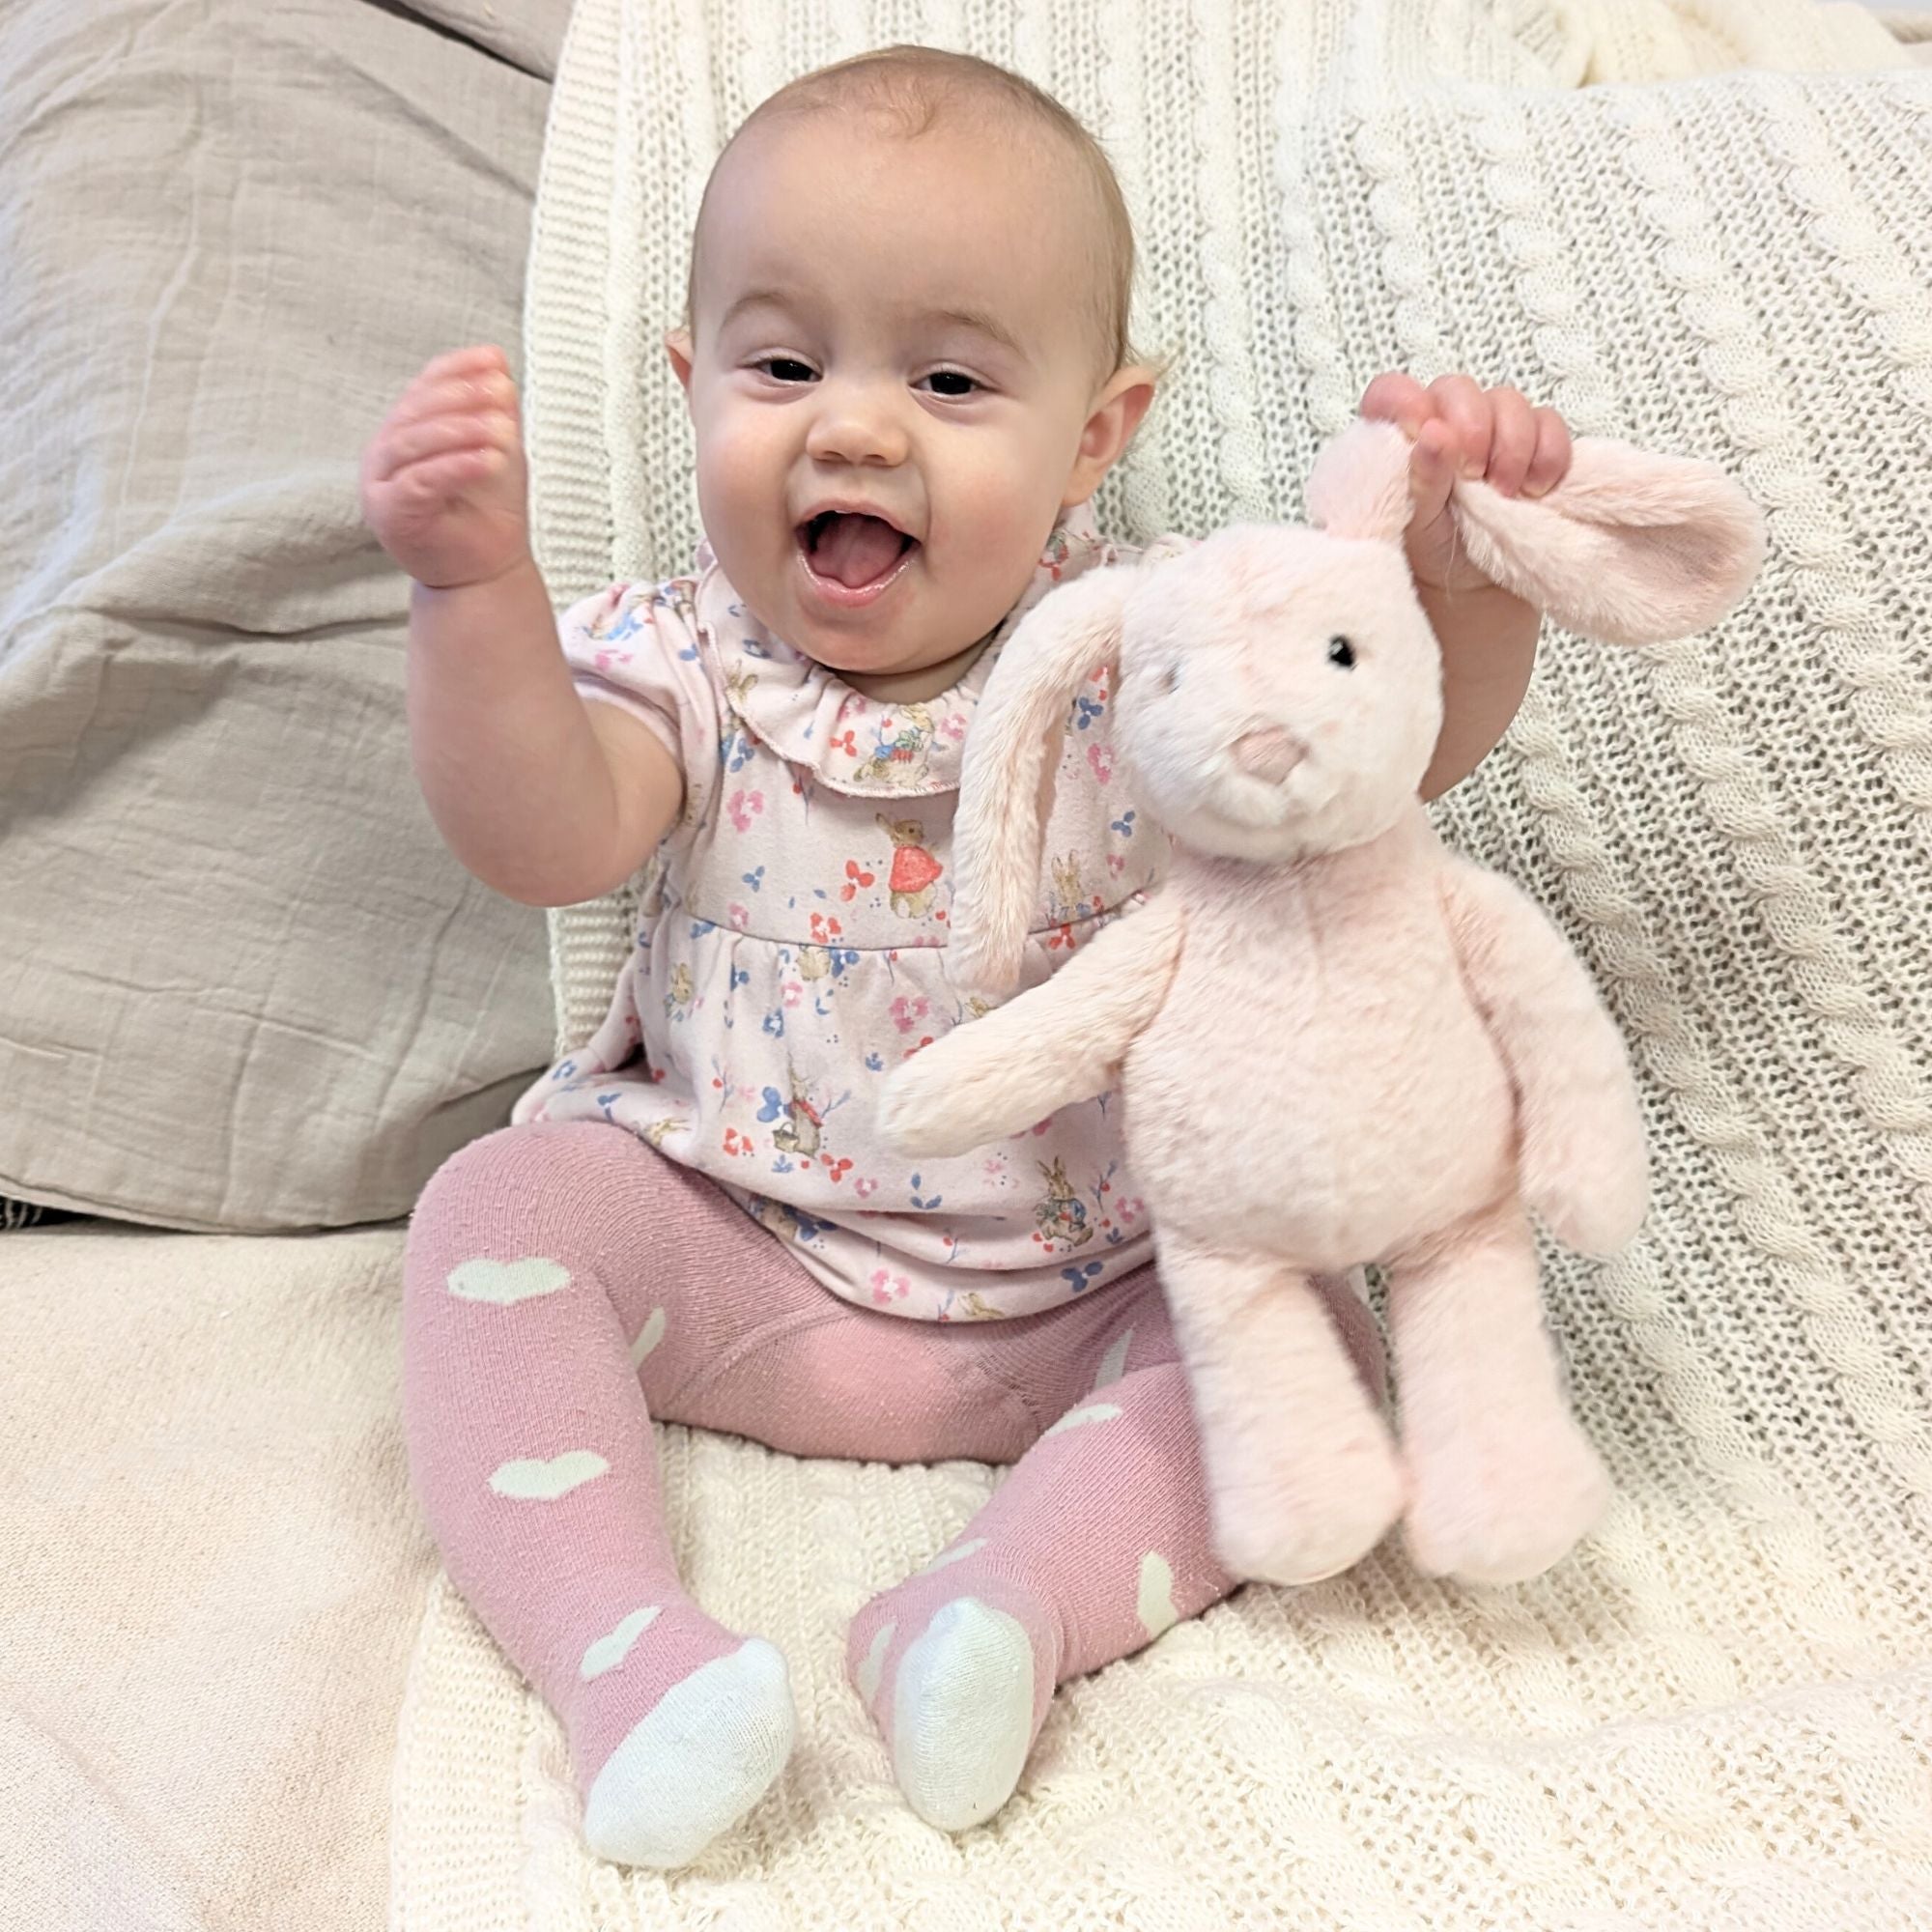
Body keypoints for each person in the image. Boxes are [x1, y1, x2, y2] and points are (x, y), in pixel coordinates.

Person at [360, 43, 1578, 1871]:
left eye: (946, 376)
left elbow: (1390, 757)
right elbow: (545, 831)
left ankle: (999, 1614)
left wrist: (1468, 580)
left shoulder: (1147, 653)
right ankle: (626, 1658)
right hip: (743, 1251)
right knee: (491, 1215)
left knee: (1302, 1334)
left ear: (1097, 433)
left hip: (1088, 1283)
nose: (855, 427)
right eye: (783, 365)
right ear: (691, 390)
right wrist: (477, 601)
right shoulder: (690, 660)